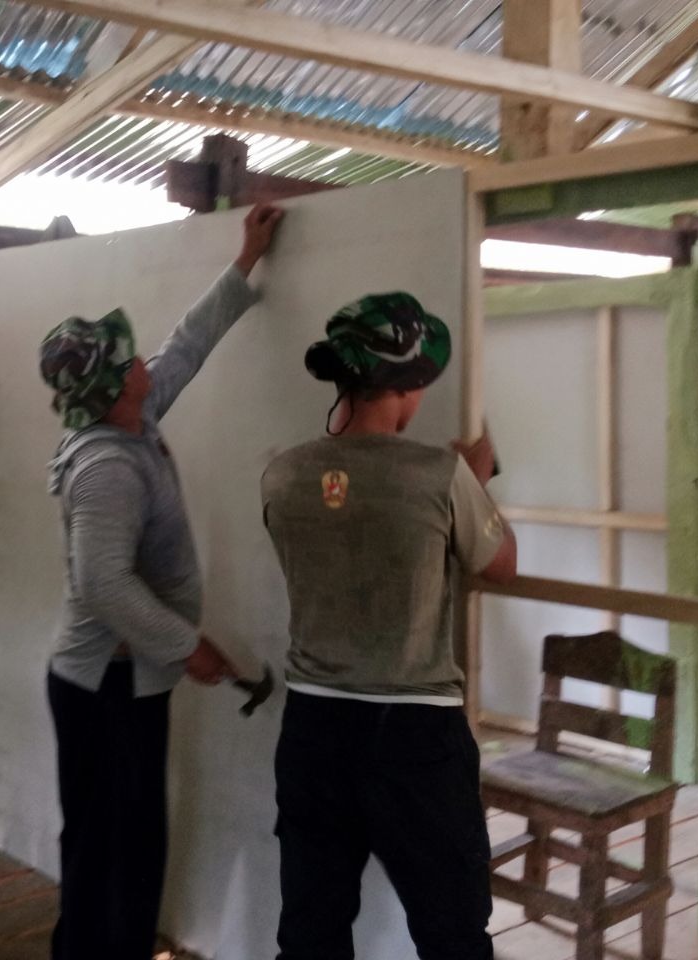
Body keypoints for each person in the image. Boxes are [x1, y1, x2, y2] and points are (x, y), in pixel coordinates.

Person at [38, 203, 285, 960]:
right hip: (102, 688)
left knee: (125, 838)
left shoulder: (132, 419)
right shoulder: (107, 466)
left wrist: (246, 259)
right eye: (130, 358)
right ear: (115, 386)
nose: (146, 360)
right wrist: (188, 646)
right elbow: (103, 586)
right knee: (114, 846)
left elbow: (187, 345)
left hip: (124, 681)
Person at [260, 292, 518, 960]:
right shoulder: (440, 474)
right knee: (453, 932)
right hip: (415, 735)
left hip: (313, 729)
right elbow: (501, 565)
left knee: (312, 930)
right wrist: (478, 483)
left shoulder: (282, 474)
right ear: (407, 385)